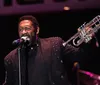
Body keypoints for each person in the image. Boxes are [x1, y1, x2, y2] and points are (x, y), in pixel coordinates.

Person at [2, 15, 94, 85]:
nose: (24, 32)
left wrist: (87, 40)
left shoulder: (54, 44)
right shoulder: (10, 58)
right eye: (20, 30)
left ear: (37, 30)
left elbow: (80, 56)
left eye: (27, 28)